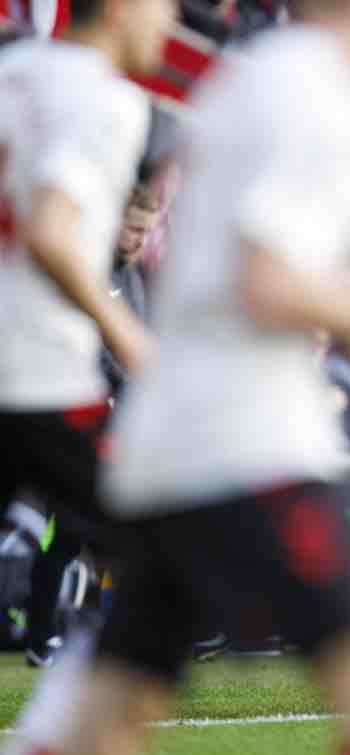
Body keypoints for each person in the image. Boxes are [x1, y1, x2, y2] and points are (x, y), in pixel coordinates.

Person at [0, 1, 350, 755]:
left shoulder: (251, 79)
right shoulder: (310, 94)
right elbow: (265, 282)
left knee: (100, 732)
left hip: (174, 437)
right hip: (242, 442)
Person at [0, 0, 167, 670]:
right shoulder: (108, 100)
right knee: (159, 566)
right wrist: (127, 336)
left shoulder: (13, 68)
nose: (169, 23)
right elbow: (50, 229)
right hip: (40, 369)